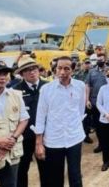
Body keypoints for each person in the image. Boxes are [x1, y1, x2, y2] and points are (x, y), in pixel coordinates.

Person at [35, 56, 86, 187]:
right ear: (55, 70)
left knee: (75, 176)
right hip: (53, 140)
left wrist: (73, 127)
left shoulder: (80, 86)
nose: (62, 72)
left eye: (66, 69)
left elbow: (80, 111)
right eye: (59, 68)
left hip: (74, 138)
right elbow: (40, 117)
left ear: (72, 70)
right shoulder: (46, 89)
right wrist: (39, 143)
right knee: (55, 178)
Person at [12, 56, 47, 187]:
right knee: (22, 170)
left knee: (46, 169)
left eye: (34, 69)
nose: (32, 72)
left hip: (45, 135)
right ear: (21, 74)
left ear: (38, 70)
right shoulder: (15, 90)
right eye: (27, 70)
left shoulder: (48, 86)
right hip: (24, 136)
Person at [85, 53, 108, 153]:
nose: (100, 60)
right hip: (95, 103)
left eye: (101, 59)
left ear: (105, 59)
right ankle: (101, 145)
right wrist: (87, 100)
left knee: (107, 126)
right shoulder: (92, 72)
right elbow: (87, 86)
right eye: (98, 59)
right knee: (98, 126)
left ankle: (108, 146)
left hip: (107, 104)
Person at [73, 59, 93, 144]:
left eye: (89, 63)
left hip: (90, 99)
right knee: (79, 118)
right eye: (86, 63)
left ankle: (86, 135)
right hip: (79, 99)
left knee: (87, 118)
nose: (87, 65)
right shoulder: (78, 74)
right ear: (83, 64)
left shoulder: (92, 73)